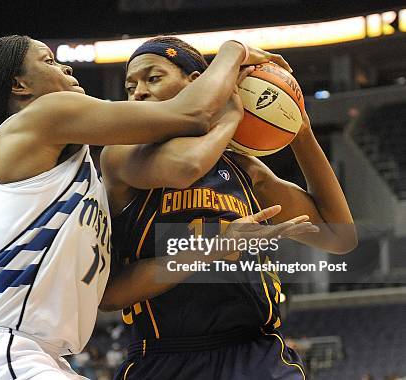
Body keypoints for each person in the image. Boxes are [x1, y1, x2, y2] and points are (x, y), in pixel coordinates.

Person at [0, 35, 291, 379]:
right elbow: (192, 114)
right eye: (49, 61)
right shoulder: (43, 115)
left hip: (33, 354)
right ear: (20, 86)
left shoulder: (74, 172)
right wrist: (232, 52)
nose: (65, 69)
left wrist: (207, 251)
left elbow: (111, 292)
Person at [99, 36, 357, 379]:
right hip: (165, 359)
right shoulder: (121, 157)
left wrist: (300, 131)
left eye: (153, 78)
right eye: (130, 86)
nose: (138, 93)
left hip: (256, 355)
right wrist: (229, 115)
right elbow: (111, 294)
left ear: (197, 83)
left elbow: (340, 238)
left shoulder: (244, 168)